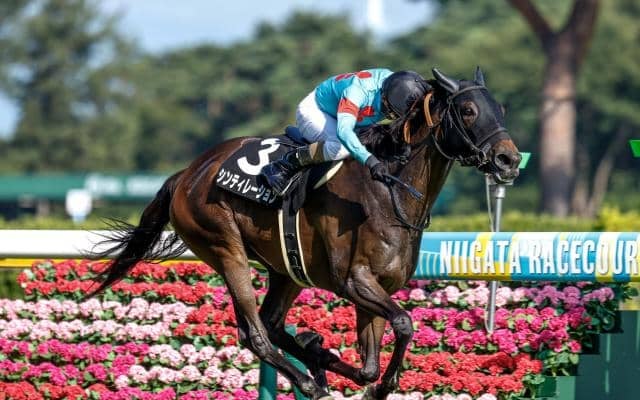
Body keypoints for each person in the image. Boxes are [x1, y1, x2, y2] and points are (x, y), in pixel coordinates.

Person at [260, 68, 431, 196]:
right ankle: (285, 164)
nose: (389, 116)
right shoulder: (358, 92)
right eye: (390, 111)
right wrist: (370, 161)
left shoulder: (400, 83)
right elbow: (344, 132)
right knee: (341, 148)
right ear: (384, 96)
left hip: (350, 117)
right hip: (317, 111)